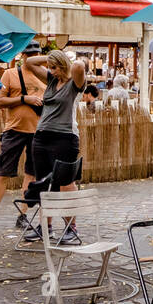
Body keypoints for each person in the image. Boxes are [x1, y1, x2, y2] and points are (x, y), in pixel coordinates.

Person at [24, 48, 87, 244]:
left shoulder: (75, 84)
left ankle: (71, 227)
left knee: (65, 182)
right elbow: (30, 62)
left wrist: (62, 58)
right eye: (50, 67)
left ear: (62, 66)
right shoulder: (51, 81)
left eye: (54, 67)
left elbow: (78, 66)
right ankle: (46, 227)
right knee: (44, 182)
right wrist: (51, 57)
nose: (51, 71)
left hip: (65, 138)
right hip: (42, 137)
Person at [0, 46, 46, 235]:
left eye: (36, 55)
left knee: (31, 175)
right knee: (3, 174)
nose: (33, 58)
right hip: (14, 130)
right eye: (30, 55)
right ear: (23, 56)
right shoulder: (10, 74)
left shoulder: (45, 76)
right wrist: (23, 99)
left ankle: (23, 215)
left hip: (38, 131)